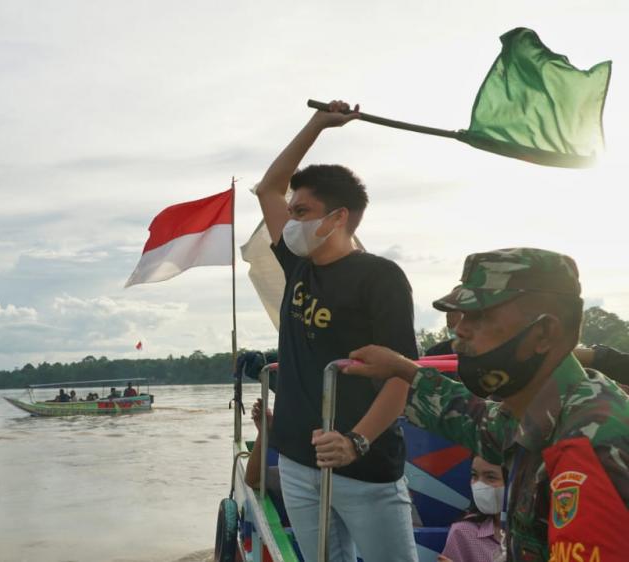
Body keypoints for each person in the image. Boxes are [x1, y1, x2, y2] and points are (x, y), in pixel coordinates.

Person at [344, 248, 629, 561]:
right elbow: (478, 421)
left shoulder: (588, 445)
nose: (459, 329)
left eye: (480, 316)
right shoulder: (550, 407)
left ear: (544, 333)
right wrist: (403, 369)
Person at [255, 100, 420, 561]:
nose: (291, 221)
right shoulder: (297, 265)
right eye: (291, 210)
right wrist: (318, 124)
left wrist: (356, 442)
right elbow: (267, 186)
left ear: (338, 218)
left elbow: (400, 374)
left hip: (365, 467)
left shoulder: (379, 277)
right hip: (296, 460)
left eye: (303, 211)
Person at [438, 456, 507, 562]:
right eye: (474, 475)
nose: (479, 485)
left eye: (491, 477)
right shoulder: (463, 532)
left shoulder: (536, 535)